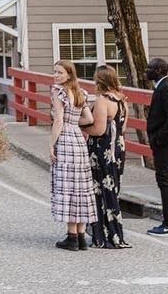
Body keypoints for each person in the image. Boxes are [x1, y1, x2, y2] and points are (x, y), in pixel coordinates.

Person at [50, 60, 97, 250]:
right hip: (78, 140)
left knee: (68, 186)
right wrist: (75, 123)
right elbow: (89, 118)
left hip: (65, 139)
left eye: (60, 73)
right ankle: (81, 236)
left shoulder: (58, 92)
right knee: (81, 186)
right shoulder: (81, 92)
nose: (56, 75)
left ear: (69, 74)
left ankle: (71, 236)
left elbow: (59, 120)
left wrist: (51, 144)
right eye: (54, 72)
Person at [86, 64, 131, 249]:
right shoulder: (122, 100)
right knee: (113, 189)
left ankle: (102, 233)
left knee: (99, 190)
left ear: (100, 81)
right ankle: (115, 231)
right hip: (118, 148)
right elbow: (124, 127)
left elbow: (98, 129)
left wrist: (80, 127)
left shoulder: (102, 101)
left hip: (102, 149)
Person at [145, 57, 168, 236]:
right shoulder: (161, 87)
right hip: (165, 143)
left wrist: (160, 139)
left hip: (165, 143)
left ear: (159, 70)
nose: (146, 71)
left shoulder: (166, 88)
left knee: (164, 181)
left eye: (150, 68)